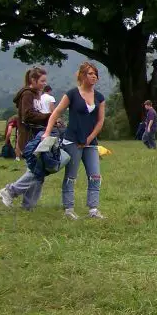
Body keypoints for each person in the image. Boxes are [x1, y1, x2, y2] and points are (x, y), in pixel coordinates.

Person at [42, 62, 106, 220]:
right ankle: (69, 209)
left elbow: (100, 121)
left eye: (95, 74)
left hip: (90, 142)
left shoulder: (99, 97)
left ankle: (93, 209)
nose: (94, 76)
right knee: (71, 175)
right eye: (90, 73)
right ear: (82, 76)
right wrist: (47, 132)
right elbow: (56, 112)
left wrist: (89, 139)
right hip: (72, 141)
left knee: (95, 175)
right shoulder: (72, 94)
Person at [14, 67, 52, 159]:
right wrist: (48, 116)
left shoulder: (35, 94)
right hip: (29, 135)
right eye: (42, 81)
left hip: (36, 133)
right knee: (35, 169)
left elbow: (36, 113)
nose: (45, 84)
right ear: (33, 80)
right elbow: (28, 115)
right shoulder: (27, 94)